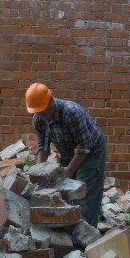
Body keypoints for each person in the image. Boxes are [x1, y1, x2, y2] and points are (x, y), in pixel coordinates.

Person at [25, 83, 107, 226]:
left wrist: (68, 172)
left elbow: (83, 147)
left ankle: (86, 237)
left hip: (91, 151)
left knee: (83, 192)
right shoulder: (38, 119)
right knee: (63, 193)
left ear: (51, 100)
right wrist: (39, 172)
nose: (42, 114)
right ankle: (66, 234)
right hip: (68, 151)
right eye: (38, 112)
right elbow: (43, 146)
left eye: (43, 110)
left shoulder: (71, 112)